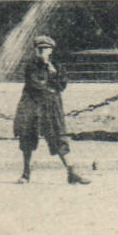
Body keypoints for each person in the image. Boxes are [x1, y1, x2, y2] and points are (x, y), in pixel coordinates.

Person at [13, 35, 88, 184]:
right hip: (32, 107)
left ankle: (72, 173)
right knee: (27, 139)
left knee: (59, 138)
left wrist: (53, 73)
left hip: (51, 108)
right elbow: (36, 85)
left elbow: (62, 85)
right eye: (39, 49)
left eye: (46, 49)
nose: (42, 52)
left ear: (51, 51)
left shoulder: (57, 66)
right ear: (35, 50)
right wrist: (52, 87)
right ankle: (26, 174)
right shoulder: (31, 66)